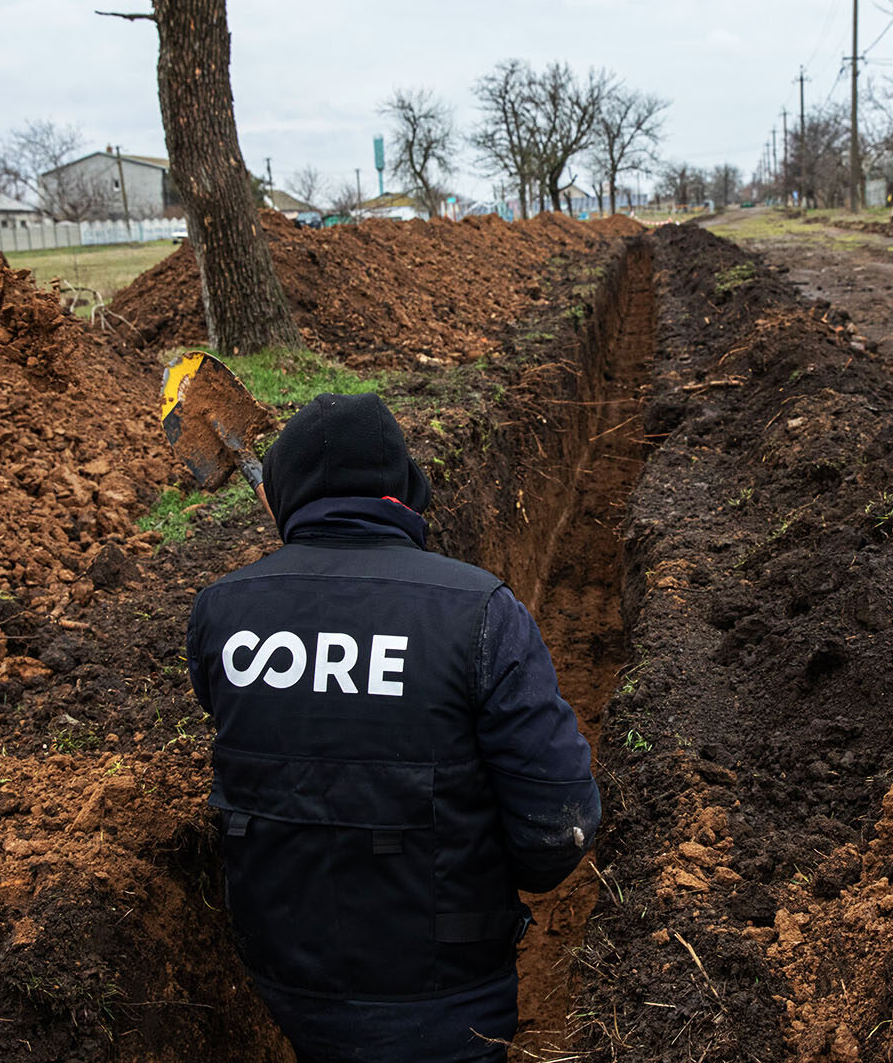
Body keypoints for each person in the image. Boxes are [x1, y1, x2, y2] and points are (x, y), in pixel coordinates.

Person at [186, 392, 600, 1063]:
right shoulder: (480, 611)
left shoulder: (221, 611)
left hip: (282, 974)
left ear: (284, 497)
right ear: (406, 491)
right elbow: (557, 826)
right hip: (443, 984)